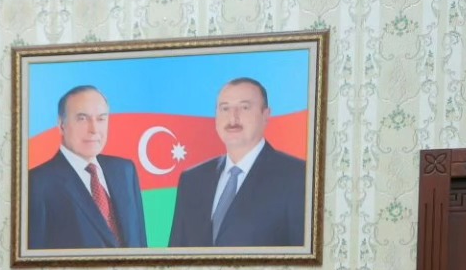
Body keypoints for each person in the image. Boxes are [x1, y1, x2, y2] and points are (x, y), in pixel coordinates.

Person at [168, 77, 307, 248]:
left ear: (266, 115)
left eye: (244, 107)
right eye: (225, 108)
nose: (232, 118)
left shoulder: (298, 177)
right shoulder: (192, 180)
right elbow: (176, 255)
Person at [27, 86, 148, 250]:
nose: (94, 129)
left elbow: (141, 246)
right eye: (82, 119)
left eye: (101, 119)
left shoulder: (125, 171)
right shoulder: (37, 184)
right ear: (61, 124)